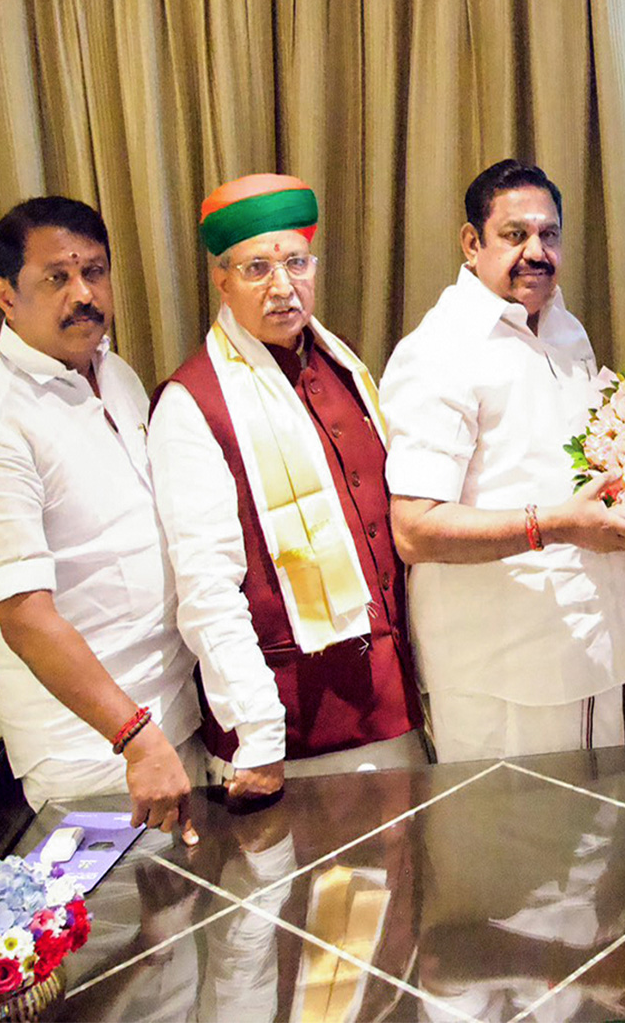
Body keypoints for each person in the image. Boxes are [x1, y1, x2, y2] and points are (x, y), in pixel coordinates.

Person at [150, 174, 423, 800]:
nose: (282, 287)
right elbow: (204, 587)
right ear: (220, 280)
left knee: (405, 893)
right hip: (295, 736)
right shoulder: (193, 404)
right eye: (256, 268)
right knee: (325, 900)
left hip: (390, 710)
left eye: (296, 262)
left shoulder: (340, 362)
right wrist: (259, 734)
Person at [381, 160, 625, 762]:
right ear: (471, 242)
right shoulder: (439, 350)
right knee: (508, 851)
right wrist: (555, 525)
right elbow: (416, 529)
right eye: (514, 234)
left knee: (599, 848)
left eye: (549, 234)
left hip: (590, 652)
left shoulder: (566, 331)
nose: (536, 251)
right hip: (502, 675)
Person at [0, 196, 200, 830]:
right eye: (56, 277)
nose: (83, 293)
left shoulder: (114, 371)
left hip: (171, 720)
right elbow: (23, 615)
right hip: (93, 750)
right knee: (125, 929)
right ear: (6, 297)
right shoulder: (1, 414)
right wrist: (133, 735)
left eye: (95, 272)